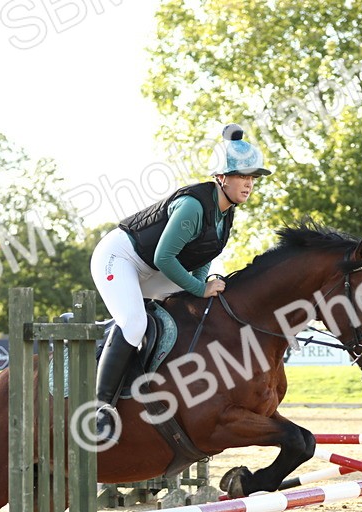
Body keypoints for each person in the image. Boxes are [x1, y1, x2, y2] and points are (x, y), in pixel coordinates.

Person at [89, 124, 271, 443]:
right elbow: (165, 257)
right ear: (221, 178)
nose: (249, 183)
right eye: (243, 176)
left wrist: (198, 295)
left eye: (253, 177)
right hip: (120, 258)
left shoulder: (226, 215)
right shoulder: (194, 205)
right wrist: (200, 290)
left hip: (151, 269)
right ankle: (101, 407)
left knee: (180, 318)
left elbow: (201, 259)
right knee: (133, 322)